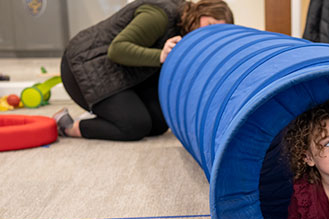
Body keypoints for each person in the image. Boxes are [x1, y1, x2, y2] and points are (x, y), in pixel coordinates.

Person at [54, 0, 234, 141]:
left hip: (123, 72)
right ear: (201, 12)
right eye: (209, 24)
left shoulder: (185, 29)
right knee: (134, 126)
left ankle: (109, 111)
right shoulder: (160, 16)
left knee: (159, 123)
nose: (208, 33)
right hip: (84, 67)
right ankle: (69, 127)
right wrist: (160, 56)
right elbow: (117, 49)